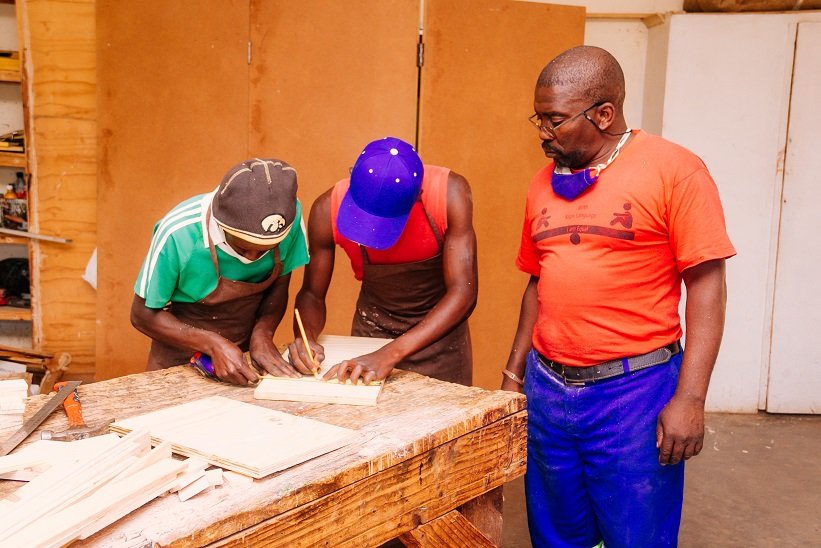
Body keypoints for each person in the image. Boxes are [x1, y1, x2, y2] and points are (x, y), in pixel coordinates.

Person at [502, 46, 736, 547]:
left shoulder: (676, 170)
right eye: (539, 118)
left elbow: (706, 285)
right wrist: (513, 375)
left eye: (555, 119)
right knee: (557, 533)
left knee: (636, 535)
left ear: (604, 114)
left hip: (634, 393)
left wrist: (690, 398)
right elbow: (537, 283)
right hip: (548, 388)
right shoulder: (543, 183)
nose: (543, 132)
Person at [288, 137, 477, 386]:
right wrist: (306, 337)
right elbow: (312, 293)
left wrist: (390, 354)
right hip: (372, 331)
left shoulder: (449, 194)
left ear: (418, 194)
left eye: (385, 223)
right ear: (352, 176)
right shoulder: (327, 209)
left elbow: (463, 293)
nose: (373, 233)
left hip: (440, 341)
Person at [131, 158, 312, 385]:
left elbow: (280, 285)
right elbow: (141, 315)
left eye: (266, 251)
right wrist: (212, 343)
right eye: (243, 248)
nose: (251, 259)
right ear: (220, 225)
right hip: (177, 355)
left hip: (243, 356)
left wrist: (263, 334)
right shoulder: (179, 233)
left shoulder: (288, 220)